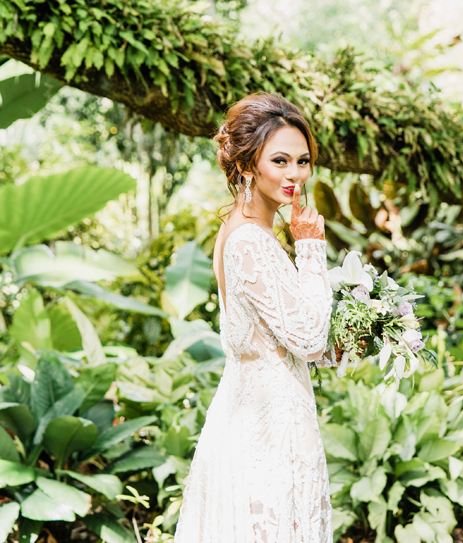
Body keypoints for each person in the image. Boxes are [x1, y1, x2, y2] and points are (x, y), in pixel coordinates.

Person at [174, 92, 339, 543]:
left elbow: (286, 334)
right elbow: (307, 338)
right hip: (270, 428)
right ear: (248, 164)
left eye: (302, 162)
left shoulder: (240, 228)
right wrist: (309, 246)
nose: (295, 175)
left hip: (251, 411)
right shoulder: (253, 240)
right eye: (280, 160)